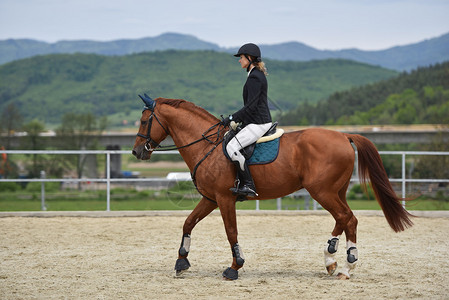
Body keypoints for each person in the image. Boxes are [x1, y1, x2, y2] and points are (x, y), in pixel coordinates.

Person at [221, 43, 272, 197]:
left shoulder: (255, 77)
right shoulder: (254, 74)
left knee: (232, 147)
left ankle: (248, 185)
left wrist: (232, 118)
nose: (239, 60)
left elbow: (250, 107)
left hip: (259, 123)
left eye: (241, 57)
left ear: (249, 58)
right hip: (254, 121)